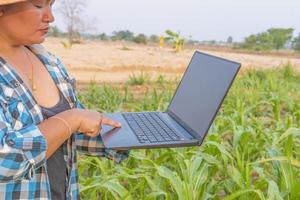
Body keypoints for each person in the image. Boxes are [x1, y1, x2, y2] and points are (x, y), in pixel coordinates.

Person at [0, 0, 129, 199]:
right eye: (38, 5)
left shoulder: (50, 62)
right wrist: (72, 118)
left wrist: (128, 133)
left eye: (51, 5)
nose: (50, 17)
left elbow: (70, 133)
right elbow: (5, 160)